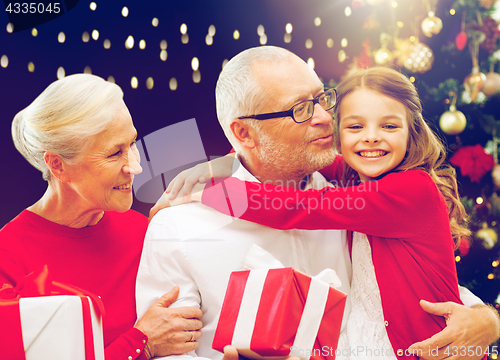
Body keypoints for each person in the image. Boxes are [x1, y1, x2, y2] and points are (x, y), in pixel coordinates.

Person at [139, 46, 499, 360]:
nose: (326, 118)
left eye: (322, 98)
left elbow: (413, 283)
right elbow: (170, 353)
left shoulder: (351, 187)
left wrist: (488, 320)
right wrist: (223, 166)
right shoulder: (179, 225)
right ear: (243, 133)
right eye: (300, 109)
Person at [0, 74, 203, 360]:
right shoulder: (8, 260)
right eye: (113, 154)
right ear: (57, 164)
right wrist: (140, 343)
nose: (135, 167)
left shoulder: (141, 230)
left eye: (131, 144)